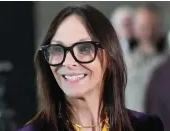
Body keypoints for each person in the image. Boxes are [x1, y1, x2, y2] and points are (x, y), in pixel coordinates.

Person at [18, 5, 163, 131]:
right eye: (57, 49)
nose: (68, 62)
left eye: (84, 48)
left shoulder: (146, 126)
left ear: (109, 55)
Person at [124, 3, 169, 113]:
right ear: (134, 27)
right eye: (144, 27)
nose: (149, 33)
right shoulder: (122, 60)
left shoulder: (166, 61)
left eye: (154, 27)